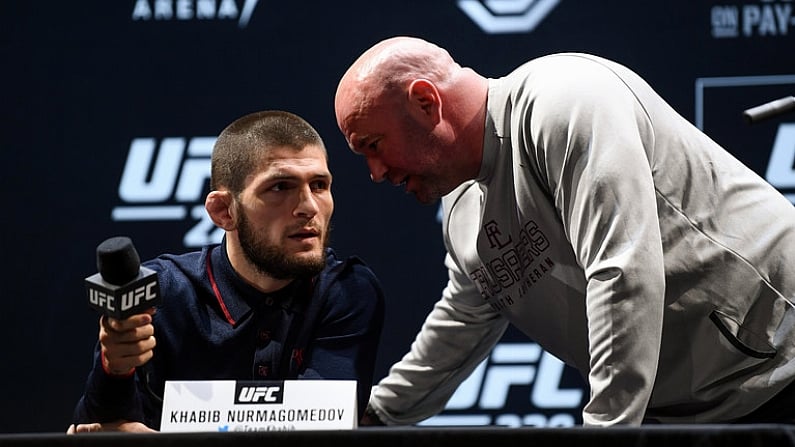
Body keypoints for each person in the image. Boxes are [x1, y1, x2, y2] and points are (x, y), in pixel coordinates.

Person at [334, 36, 795, 426]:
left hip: (781, 361)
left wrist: (607, 428)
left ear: (425, 101)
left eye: (373, 146)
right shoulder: (461, 205)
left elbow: (622, 268)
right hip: (687, 411)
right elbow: (464, 318)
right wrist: (375, 417)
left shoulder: (564, 99)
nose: (375, 172)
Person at [69, 110, 386, 432]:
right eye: (279, 187)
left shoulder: (348, 290)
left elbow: (320, 437)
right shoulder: (160, 294)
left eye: (319, 185)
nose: (308, 207)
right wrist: (115, 369)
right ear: (223, 211)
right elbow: (101, 433)